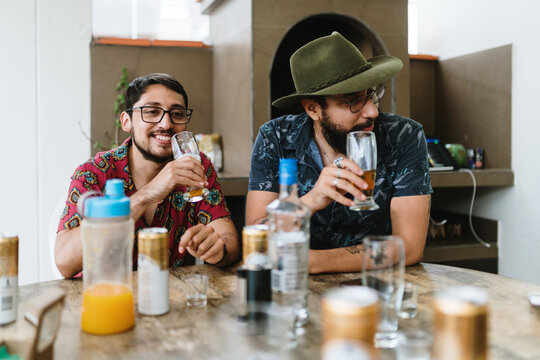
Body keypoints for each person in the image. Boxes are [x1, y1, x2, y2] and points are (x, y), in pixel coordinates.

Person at [247, 32, 432, 274]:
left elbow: (409, 246)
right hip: (294, 290)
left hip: (378, 287)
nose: (372, 111)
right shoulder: (276, 138)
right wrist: (309, 202)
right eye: (353, 100)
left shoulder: (404, 136)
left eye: (372, 94)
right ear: (313, 109)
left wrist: (313, 261)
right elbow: (256, 240)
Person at [56, 73, 239, 278]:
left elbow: (229, 241)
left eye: (177, 114)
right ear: (127, 122)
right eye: (152, 112)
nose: (166, 124)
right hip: (105, 298)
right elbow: (64, 261)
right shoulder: (94, 173)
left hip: (172, 300)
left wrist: (218, 250)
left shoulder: (196, 166)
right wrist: (147, 195)